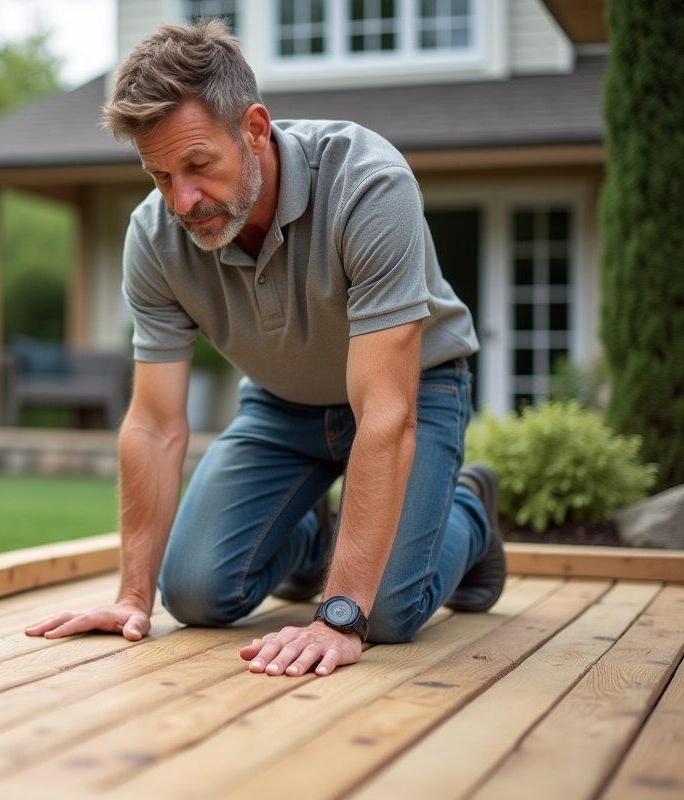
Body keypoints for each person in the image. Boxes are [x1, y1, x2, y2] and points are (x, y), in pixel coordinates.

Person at [25, 20, 505, 678]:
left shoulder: (366, 184)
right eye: (161, 175)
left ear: (254, 128)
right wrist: (133, 596)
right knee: (193, 595)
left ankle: (470, 510)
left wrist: (340, 615)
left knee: (384, 614)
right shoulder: (154, 237)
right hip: (282, 406)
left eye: (198, 166)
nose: (183, 200)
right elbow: (155, 423)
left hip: (415, 393)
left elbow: (387, 416)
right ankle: (309, 541)